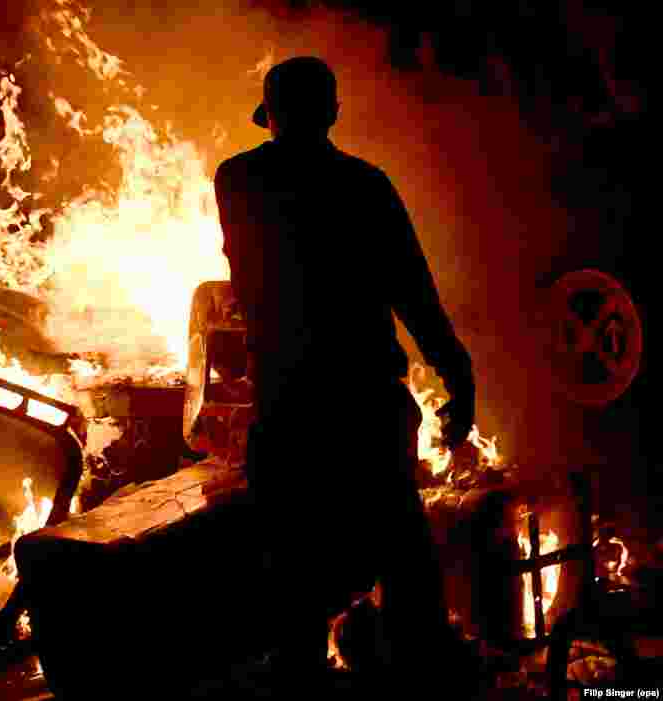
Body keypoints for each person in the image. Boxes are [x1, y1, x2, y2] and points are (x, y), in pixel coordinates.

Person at [214, 57, 479, 693]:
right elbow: (415, 294)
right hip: (363, 405)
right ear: (334, 111)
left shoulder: (237, 180)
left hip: (288, 408)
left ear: (269, 116)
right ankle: (420, 676)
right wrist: (458, 374)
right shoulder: (366, 186)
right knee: (403, 555)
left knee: (293, 570)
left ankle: (303, 675)